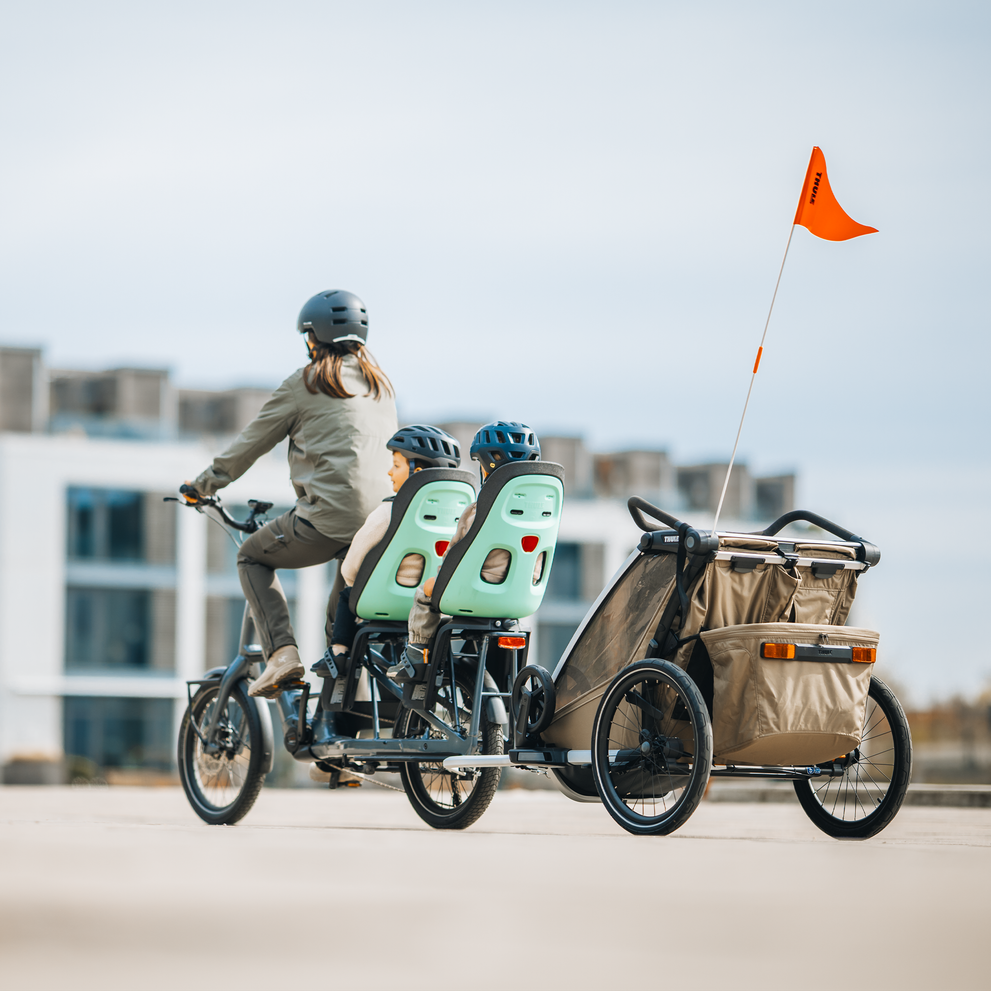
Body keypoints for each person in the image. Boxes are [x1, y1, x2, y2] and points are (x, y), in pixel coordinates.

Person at [184, 289, 397, 699]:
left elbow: (251, 443)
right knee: (342, 632)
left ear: (313, 337)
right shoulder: (381, 387)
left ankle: (281, 654)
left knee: (250, 555)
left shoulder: (306, 383)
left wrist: (202, 485)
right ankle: (336, 742)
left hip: (326, 522)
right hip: (381, 527)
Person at [312, 423, 462, 680]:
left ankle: (339, 653)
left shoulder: (386, 513)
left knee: (347, 593)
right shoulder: (459, 514)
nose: (390, 472)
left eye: (396, 465)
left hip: (382, 602)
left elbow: (351, 569)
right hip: (432, 602)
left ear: (417, 470)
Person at [393, 420, 541, 681]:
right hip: (519, 597)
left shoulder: (478, 510)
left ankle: (417, 654)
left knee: (426, 591)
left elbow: (457, 554)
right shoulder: (540, 511)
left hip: (477, 591)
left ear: (488, 465)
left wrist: (440, 576)